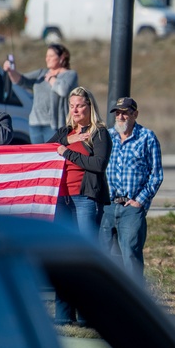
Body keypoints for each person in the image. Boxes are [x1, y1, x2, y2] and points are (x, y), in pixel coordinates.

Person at [49, 86, 110, 325]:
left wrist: (67, 152)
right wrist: (67, 140)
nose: (75, 109)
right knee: (63, 258)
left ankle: (88, 316)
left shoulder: (100, 133)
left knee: (85, 258)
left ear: (90, 107)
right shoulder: (65, 131)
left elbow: (98, 164)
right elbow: (45, 149)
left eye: (80, 105)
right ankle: (64, 316)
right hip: (62, 201)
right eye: (72, 105)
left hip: (85, 199)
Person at [99, 97, 163, 283]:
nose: (121, 116)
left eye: (125, 113)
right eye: (118, 113)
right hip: (108, 204)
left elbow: (156, 175)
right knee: (101, 253)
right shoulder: (107, 136)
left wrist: (139, 201)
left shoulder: (147, 137)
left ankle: (135, 301)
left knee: (131, 256)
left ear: (135, 114)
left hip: (132, 206)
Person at [4, 43, 78, 144]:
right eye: (46, 56)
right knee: (37, 154)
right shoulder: (41, 73)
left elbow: (63, 90)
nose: (47, 59)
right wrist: (11, 71)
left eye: (51, 56)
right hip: (35, 124)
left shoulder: (70, 74)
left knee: (54, 154)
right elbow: (21, 81)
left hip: (55, 126)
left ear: (62, 57)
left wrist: (52, 79)